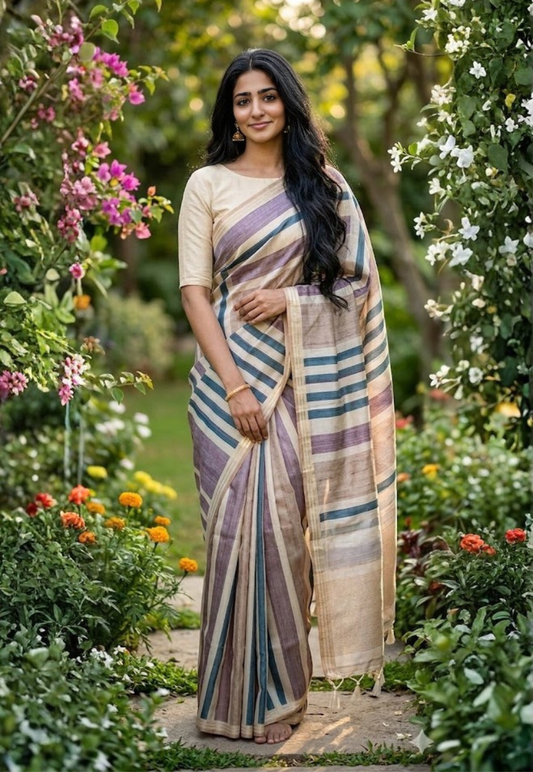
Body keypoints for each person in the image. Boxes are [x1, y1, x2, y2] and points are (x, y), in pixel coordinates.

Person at [178, 49, 396, 745]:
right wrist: (235, 387)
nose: (256, 110)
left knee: (282, 536)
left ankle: (278, 697)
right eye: (242, 100)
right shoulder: (207, 184)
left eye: (267, 96)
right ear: (230, 112)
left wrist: (291, 299)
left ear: (287, 102)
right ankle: (226, 697)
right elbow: (194, 293)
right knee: (233, 536)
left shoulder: (323, 186)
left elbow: (356, 285)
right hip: (226, 386)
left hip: (303, 383)